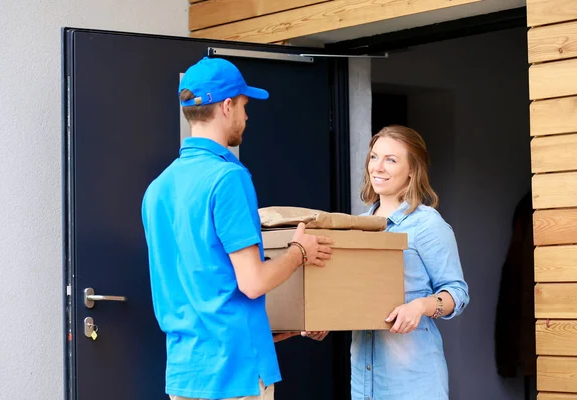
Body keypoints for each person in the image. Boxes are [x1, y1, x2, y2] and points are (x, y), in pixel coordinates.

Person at [141, 57, 333, 400]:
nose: (246, 116)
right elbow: (252, 282)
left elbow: (205, 287)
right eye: (244, 106)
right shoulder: (228, 178)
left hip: (185, 374)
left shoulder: (157, 189)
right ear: (227, 106)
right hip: (235, 375)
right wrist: (298, 252)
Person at [351, 125, 470, 400]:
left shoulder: (427, 224)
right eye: (374, 157)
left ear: (412, 171)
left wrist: (420, 306)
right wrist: (323, 317)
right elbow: (352, 293)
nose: (378, 167)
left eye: (391, 160)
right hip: (363, 379)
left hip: (413, 380)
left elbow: (457, 293)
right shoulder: (358, 226)